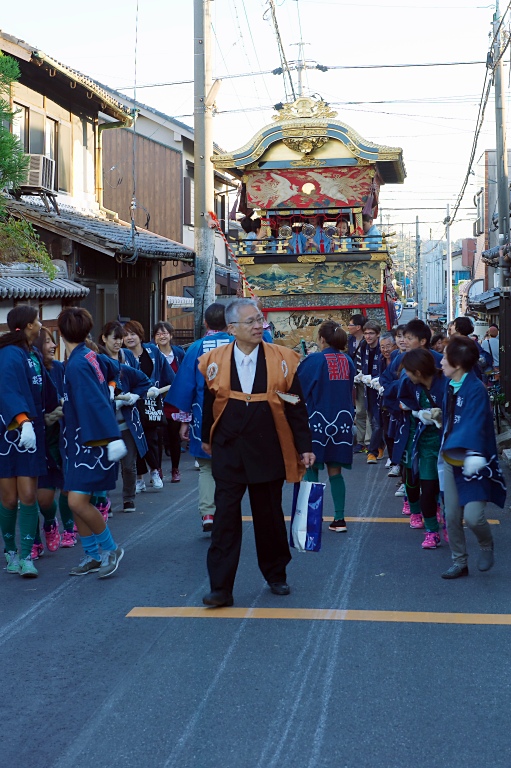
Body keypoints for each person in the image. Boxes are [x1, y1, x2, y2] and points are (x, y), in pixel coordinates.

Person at [199, 298, 314, 607]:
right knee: (224, 519)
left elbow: (294, 404)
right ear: (232, 328)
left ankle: (276, 575)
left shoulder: (282, 359)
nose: (257, 326)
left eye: (260, 320)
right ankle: (220, 588)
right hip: (228, 449)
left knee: (269, 516)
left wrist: (304, 446)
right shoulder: (213, 360)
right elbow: (210, 403)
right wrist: (204, 437)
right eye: (250, 322)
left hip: (268, 447)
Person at [58, 307, 126, 578]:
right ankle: (91, 554)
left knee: (76, 501)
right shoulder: (89, 355)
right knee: (75, 498)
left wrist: (111, 436)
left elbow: (95, 403)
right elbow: (114, 367)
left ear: (61, 332)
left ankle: (110, 549)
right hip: (80, 440)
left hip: (88, 441)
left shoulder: (76, 363)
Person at [439, 336, 506, 579]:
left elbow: (476, 424)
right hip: (452, 458)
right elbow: (452, 421)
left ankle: (486, 546)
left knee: (473, 516)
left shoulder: (475, 388)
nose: (442, 362)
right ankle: (459, 561)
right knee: (452, 514)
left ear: (457, 363)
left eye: (445, 358)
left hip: (475, 460)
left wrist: (475, 453)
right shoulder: (450, 385)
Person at [0, 305, 58, 578]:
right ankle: (10, 551)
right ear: (26, 327)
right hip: (10, 433)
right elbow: (7, 389)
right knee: (9, 498)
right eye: (37, 321)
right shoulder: (9, 354)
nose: (40, 325)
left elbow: (47, 392)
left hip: (32, 433)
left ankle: (26, 556)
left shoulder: (32, 354)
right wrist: (23, 421)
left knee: (28, 495)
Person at [165, 302, 233, 532]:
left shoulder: (196, 348)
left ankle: (208, 513)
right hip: (235, 413)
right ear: (229, 323)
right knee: (232, 467)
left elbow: (186, 386)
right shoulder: (239, 345)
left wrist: (184, 420)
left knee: (206, 467)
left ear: (205, 323)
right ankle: (227, 512)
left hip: (202, 414)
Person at [297, 321, 355, 532]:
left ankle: (313, 517)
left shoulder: (314, 360)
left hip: (317, 420)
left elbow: (298, 391)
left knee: (311, 466)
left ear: (322, 339)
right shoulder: (348, 360)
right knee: (335, 470)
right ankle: (339, 519)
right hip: (342, 421)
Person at [100, 321, 153, 513]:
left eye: (120, 338)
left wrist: (135, 395)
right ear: (104, 338)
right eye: (114, 338)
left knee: (129, 465)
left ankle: (129, 498)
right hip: (106, 422)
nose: (118, 342)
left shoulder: (127, 355)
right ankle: (104, 503)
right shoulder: (98, 359)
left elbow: (141, 380)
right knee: (107, 465)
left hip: (128, 419)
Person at [32, 327, 75, 556]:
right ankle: (50, 522)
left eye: (53, 341)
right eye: (48, 341)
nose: (53, 345)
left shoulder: (60, 368)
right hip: (40, 441)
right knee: (44, 498)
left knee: (68, 488)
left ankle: (69, 529)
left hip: (62, 438)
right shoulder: (30, 371)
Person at [399, 348, 447, 547]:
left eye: (408, 370)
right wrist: (419, 414)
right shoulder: (410, 384)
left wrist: (441, 416)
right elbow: (403, 402)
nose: (406, 374)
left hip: (447, 443)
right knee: (427, 489)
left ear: (417, 371)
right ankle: (431, 531)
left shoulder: (445, 383)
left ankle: (448, 524)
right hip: (425, 443)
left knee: (446, 491)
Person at [123, 320, 175, 492]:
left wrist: (161, 391)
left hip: (152, 402)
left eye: (132, 334)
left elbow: (170, 376)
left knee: (152, 439)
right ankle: (139, 478)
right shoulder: (122, 355)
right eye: (125, 335)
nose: (129, 338)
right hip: (131, 404)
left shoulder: (152, 351)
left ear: (140, 335)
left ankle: (155, 471)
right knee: (135, 440)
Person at [153, 321, 185, 483]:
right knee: (158, 437)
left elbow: (186, 375)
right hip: (158, 402)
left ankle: (175, 469)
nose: (162, 336)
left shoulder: (179, 353)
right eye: (158, 334)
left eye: (165, 333)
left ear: (171, 335)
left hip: (175, 402)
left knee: (174, 437)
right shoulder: (152, 354)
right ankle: (157, 470)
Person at [354, 320, 383, 464]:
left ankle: (372, 451)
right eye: (366, 333)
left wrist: (376, 379)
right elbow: (361, 364)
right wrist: (360, 375)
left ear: (378, 334)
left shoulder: (382, 348)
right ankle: (380, 446)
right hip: (367, 386)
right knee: (371, 419)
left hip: (380, 387)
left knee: (378, 421)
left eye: (371, 333)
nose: (368, 336)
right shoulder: (364, 346)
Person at [347, 314, 369, 452]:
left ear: (358, 327)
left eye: (350, 325)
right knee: (360, 410)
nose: (348, 327)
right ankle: (360, 441)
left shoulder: (367, 342)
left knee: (370, 411)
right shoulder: (349, 340)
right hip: (355, 379)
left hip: (368, 380)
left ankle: (370, 442)